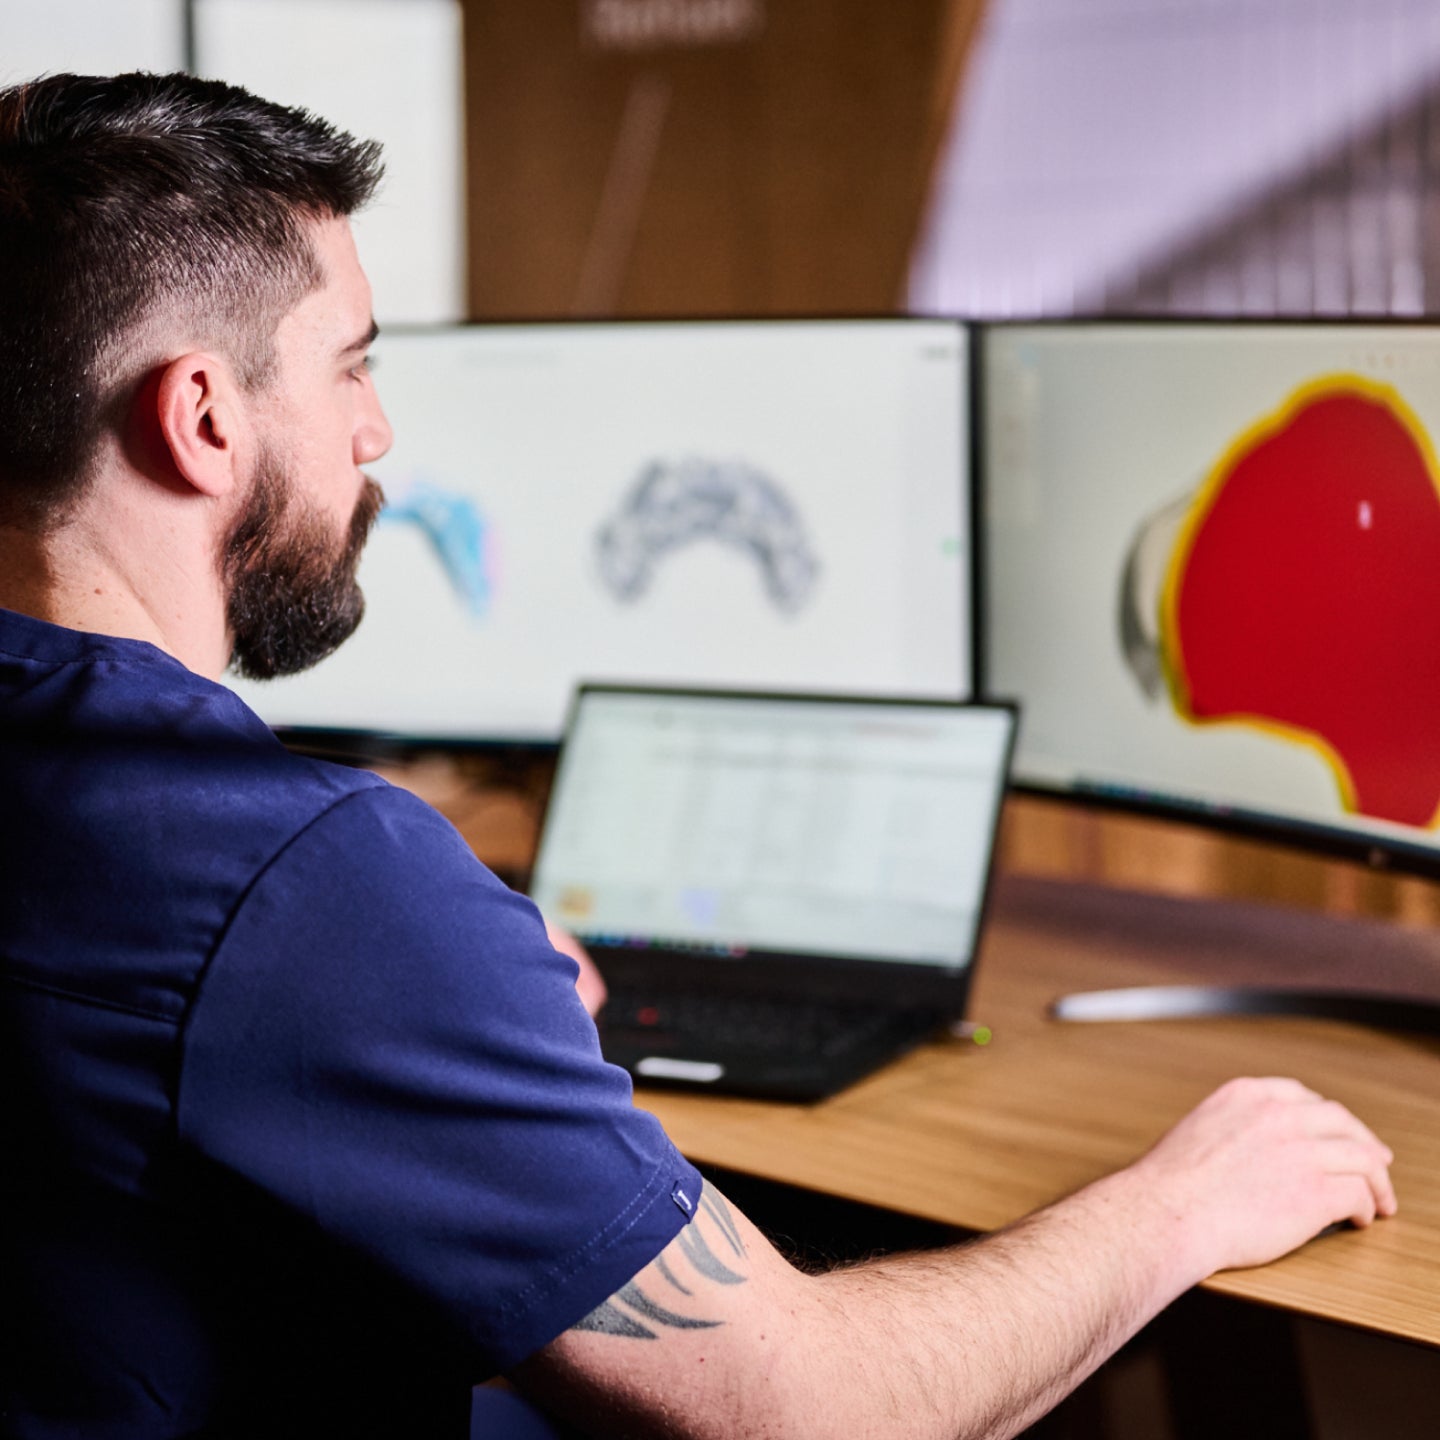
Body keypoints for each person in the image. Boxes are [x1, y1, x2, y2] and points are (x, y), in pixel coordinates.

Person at [0, 71, 1395, 1440]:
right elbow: (810, 1412)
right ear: (203, 417)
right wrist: (1186, 1198)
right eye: (353, 363)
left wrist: (438, 982)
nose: (378, 430)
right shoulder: (313, 883)